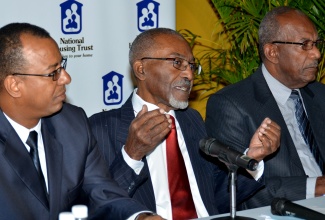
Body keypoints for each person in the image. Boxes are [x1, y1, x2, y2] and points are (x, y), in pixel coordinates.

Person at [89, 27, 281, 219]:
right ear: (141, 69)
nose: (189, 75)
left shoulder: (192, 119)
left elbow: (214, 198)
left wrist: (250, 158)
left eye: (191, 65)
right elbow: (98, 205)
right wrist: (132, 155)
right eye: (177, 62)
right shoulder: (101, 128)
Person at [0, 22, 162, 220]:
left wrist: (140, 217)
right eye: (53, 73)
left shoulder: (72, 123)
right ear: (14, 85)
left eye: (63, 66)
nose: (66, 78)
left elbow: (102, 193)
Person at [205, 6, 325, 210]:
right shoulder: (230, 104)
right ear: (272, 52)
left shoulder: (320, 94)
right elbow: (236, 192)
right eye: (305, 44)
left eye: (316, 44)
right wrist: (315, 187)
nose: (316, 54)